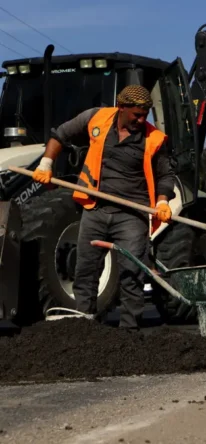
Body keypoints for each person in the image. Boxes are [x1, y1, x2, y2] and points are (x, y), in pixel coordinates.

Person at [32, 85, 175, 330]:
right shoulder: (96, 118)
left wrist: (162, 201)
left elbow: (165, 175)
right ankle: (85, 327)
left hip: (132, 214)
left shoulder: (154, 139)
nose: (141, 120)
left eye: (145, 115)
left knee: (132, 275)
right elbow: (61, 134)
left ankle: (130, 332)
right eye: (136, 115)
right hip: (95, 209)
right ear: (121, 108)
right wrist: (46, 163)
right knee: (85, 271)